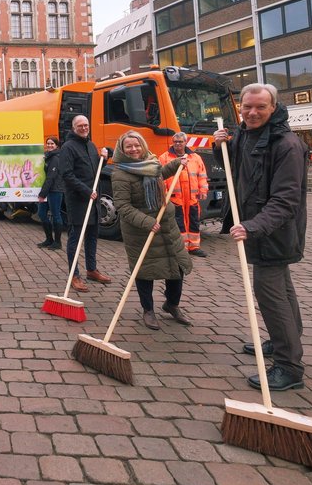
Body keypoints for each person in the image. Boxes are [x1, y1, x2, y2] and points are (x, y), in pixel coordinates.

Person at [213, 83, 307, 391]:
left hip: (274, 230)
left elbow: (286, 199)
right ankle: (287, 340)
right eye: (247, 107)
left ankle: (289, 365)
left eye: (260, 108)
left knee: (269, 293)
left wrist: (253, 226)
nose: (252, 113)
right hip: (259, 227)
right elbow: (236, 163)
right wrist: (220, 146)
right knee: (283, 288)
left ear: (273, 107)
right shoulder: (245, 133)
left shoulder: (287, 145)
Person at [113, 131, 193, 330]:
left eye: (137, 145)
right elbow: (122, 206)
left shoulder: (151, 163)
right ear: (122, 150)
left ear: (143, 145)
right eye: (129, 146)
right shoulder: (120, 173)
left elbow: (160, 174)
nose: (134, 149)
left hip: (165, 225)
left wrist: (176, 165)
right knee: (145, 271)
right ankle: (148, 310)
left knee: (177, 267)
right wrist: (146, 222)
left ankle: (171, 304)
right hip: (141, 230)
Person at [58, 115, 112, 292]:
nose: (84, 128)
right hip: (79, 201)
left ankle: (91, 269)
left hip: (93, 201)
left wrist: (105, 157)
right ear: (74, 128)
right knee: (75, 239)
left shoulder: (90, 145)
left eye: (86, 125)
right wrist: (86, 191)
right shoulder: (68, 147)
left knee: (92, 237)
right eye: (80, 126)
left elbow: (95, 171)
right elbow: (67, 174)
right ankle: (74, 275)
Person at [158, 132, 209, 257]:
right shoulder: (164, 158)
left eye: (180, 142)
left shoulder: (195, 158)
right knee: (178, 224)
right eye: (175, 142)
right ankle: (181, 248)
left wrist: (203, 190)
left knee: (193, 222)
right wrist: (163, 194)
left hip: (192, 198)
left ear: (185, 143)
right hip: (175, 198)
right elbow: (161, 177)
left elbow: (202, 175)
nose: (177, 144)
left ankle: (194, 246)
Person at [37, 136, 65, 250]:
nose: (49, 145)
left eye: (52, 144)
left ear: (56, 146)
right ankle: (49, 239)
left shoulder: (56, 158)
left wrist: (42, 194)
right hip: (47, 189)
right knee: (41, 213)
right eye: (48, 143)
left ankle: (57, 242)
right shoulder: (48, 157)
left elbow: (51, 178)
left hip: (55, 190)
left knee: (56, 215)